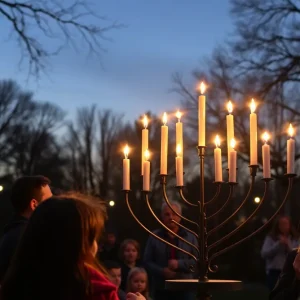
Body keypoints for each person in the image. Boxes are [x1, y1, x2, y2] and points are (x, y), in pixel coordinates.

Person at [0, 175, 52, 281]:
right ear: (34, 204)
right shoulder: (29, 239)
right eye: (49, 200)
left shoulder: (12, 234)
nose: (54, 204)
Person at [144, 201, 197, 300]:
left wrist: (179, 264)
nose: (171, 217)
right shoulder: (154, 236)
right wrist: (162, 271)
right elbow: (147, 261)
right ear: (162, 217)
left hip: (185, 288)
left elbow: (197, 262)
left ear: (180, 216)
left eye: (174, 214)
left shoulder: (190, 237)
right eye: (167, 214)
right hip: (161, 288)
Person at [261, 215, 299, 291]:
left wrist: (288, 244)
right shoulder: (271, 238)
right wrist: (278, 244)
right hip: (274, 273)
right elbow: (264, 253)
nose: (284, 226)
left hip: (290, 273)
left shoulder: (295, 239)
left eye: (286, 224)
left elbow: (297, 255)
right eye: (282, 224)